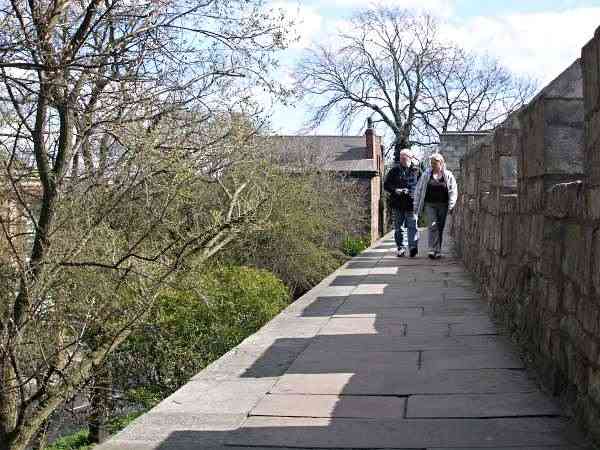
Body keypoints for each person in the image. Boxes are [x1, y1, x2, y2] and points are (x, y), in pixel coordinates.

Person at [413, 152, 458, 259]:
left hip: (443, 205)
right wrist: (416, 205)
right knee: (433, 226)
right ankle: (432, 250)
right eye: (432, 163)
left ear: (441, 163)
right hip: (430, 204)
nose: (433, 165)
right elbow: (419, 190)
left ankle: (438, 250)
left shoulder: (448, 175)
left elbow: (453, 190)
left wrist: (451, 205)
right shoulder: (426, 175)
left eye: (435, 163)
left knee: (440, 227)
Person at [383, 149, 421, 257]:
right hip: (397, 203)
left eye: (404, 159)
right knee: (398, 228)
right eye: (401, 158)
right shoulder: (394, 170)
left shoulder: (416, 170)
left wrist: (413, 192)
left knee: (412, 226)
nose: (402, 161)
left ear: (410, 159)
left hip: (412, 203)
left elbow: (422, 184)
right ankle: (400, 247)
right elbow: (386, 185)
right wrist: (395, 190)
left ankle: (413, 247)